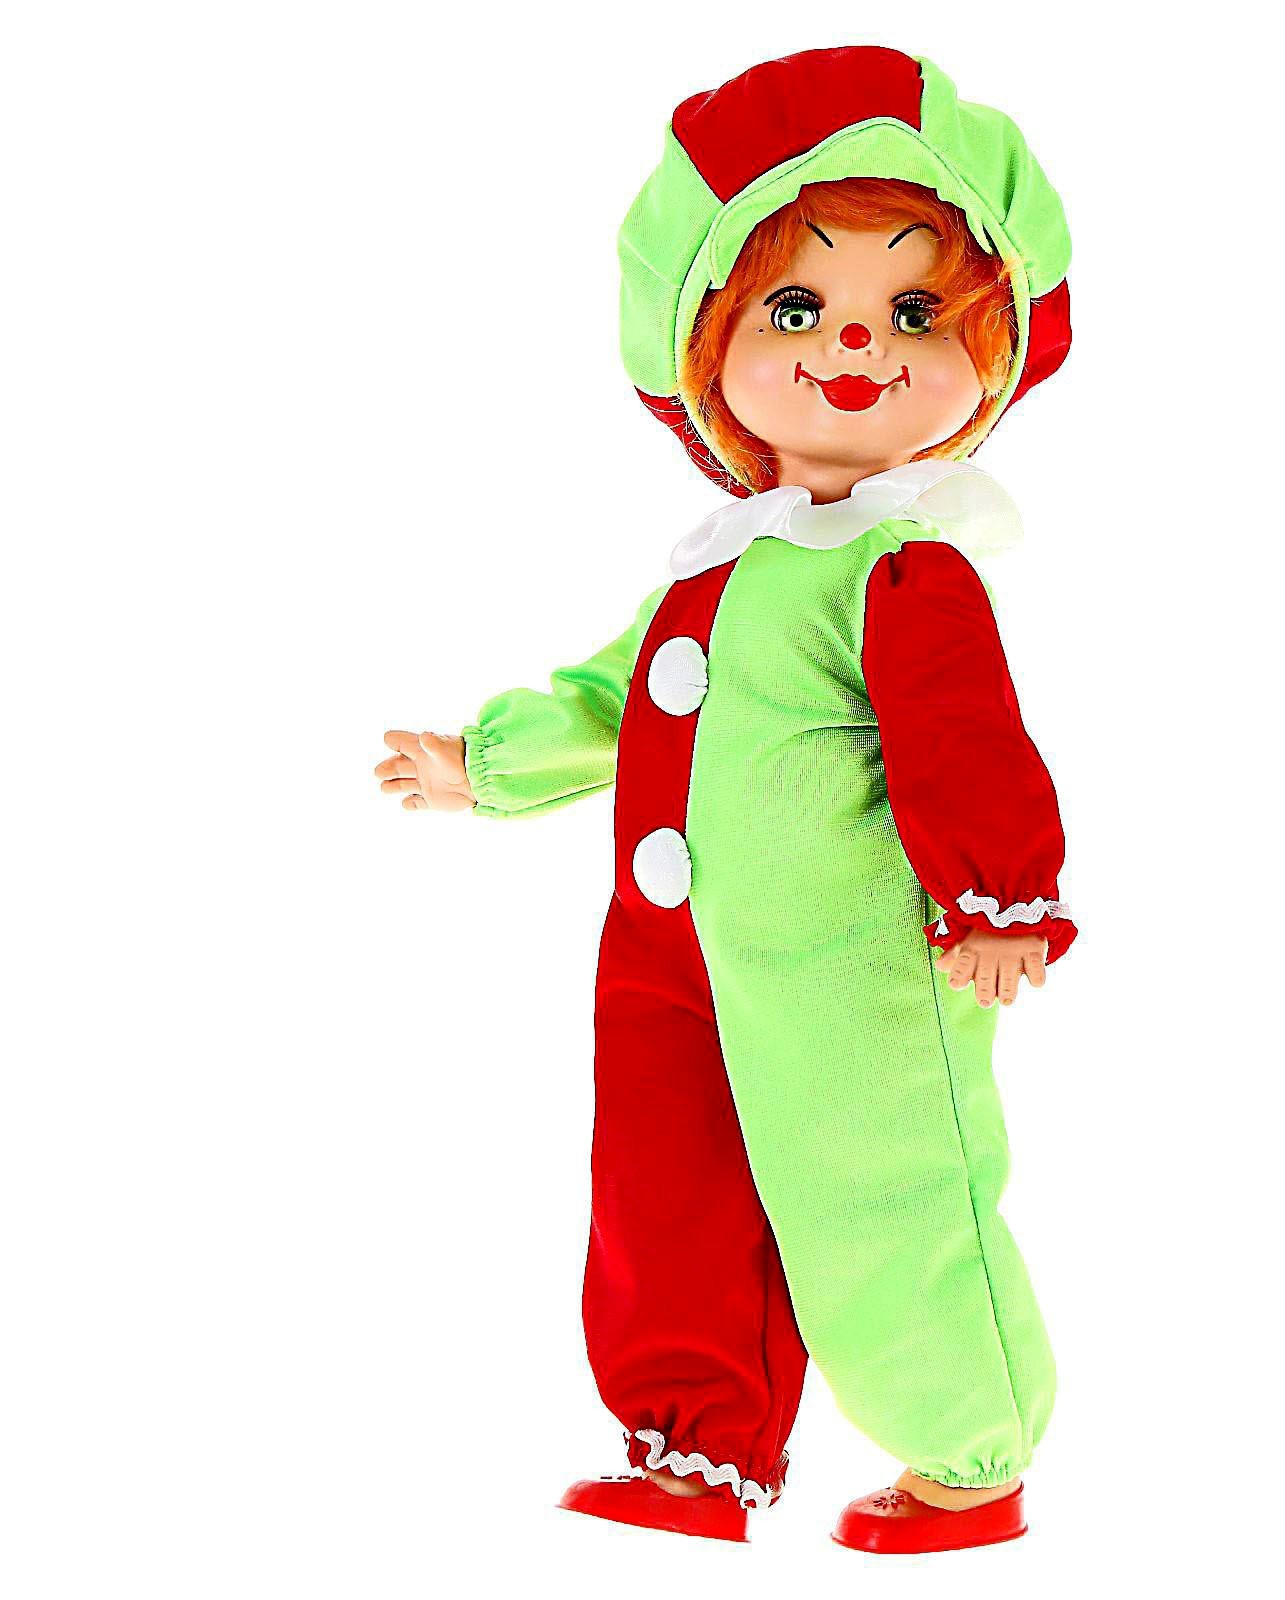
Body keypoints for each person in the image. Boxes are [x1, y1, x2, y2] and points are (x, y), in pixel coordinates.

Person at [375, 46, 1077, 1554]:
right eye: (795, 308)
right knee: (668, 1195)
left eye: (917, 314)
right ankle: (697, 1447)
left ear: (991, 350)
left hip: (853, 969)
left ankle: (972, 1453)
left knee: (880, 1191)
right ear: (707, 353)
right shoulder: (719, 567)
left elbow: (965, 739)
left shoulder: (906, 568)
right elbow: (615, 697)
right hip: (672, 962)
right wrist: (483, 764)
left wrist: (998, 896)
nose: (857, 347)